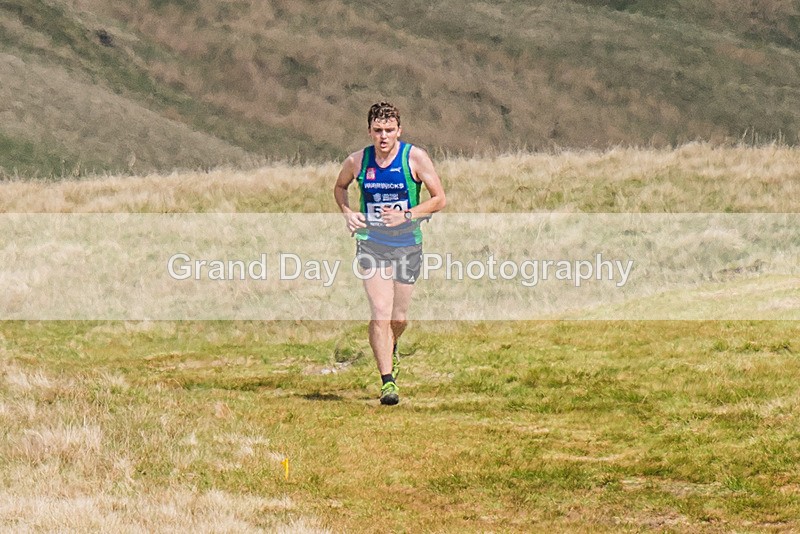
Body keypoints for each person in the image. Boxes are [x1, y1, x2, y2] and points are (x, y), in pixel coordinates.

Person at [334, 102, 446, 405]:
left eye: (389, 130)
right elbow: (340, 187)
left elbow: (439, 199)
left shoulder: (415, 158)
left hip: (408, 242)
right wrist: (347, 213)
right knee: (380, 312)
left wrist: (407, 215)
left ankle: (391, 346)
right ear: (369, 131)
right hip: (372, 242)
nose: (383, 137)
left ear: (399, 130)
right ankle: (387, 382)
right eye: (378, 131)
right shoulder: (357, 161)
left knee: (399, 316)